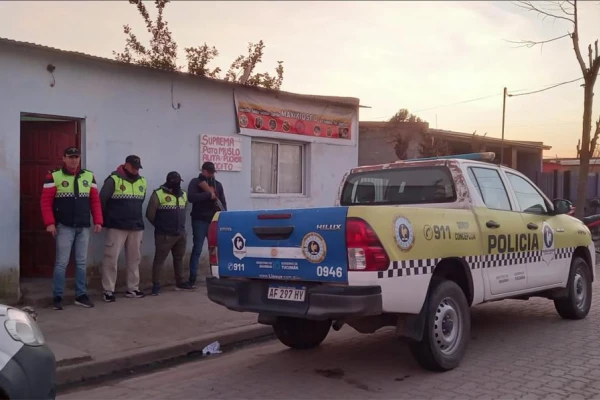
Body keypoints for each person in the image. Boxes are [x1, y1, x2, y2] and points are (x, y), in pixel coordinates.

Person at [40, 147, 103, 310]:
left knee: (81, 262)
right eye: (71, 157)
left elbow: (95, 201)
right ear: (64, 158)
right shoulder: (54, 176)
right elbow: (45, 202)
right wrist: (50, 223)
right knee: (62, 263)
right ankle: (57, 297)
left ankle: (81, 295)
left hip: (83, 227)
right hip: (64, 226)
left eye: (77, 157)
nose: (74, 160)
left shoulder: (89, 176)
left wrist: (98, 221)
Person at [99, 155, 147, 301]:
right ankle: (108, 291)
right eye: (133, 167)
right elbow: (102, 201)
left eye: (138, 168)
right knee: (111, 259)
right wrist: (107, 220)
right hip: (117, 226)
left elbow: (140, 202)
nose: (136, 170)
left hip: (136, 226)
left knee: (134, 260)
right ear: (126, 165)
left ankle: (133, 288)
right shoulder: (113, 180)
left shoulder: (142, 181)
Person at [146, 171, 193, 295]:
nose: (178, 184)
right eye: (176, 182)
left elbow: (184, 210)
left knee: (179, 258)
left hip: (180, 234)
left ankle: (180, 282)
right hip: (164, 235)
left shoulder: (183, 194)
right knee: (159, 260)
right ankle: (156, 285)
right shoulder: (158, 194)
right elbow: (150, 214)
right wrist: (161, 226)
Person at [188, 161, 227, 287]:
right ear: (203, 171)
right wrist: (208, 195)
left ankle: (216, 276)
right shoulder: (196, 182)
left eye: (212, 172)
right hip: (199, 220)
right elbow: (191, 197)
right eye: (209, 172)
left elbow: (223, 202)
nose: (211, 175)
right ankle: (192, 279)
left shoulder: (218, 184)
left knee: (215, 250)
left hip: (213, 220)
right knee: (197, 249)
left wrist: (224, 216)